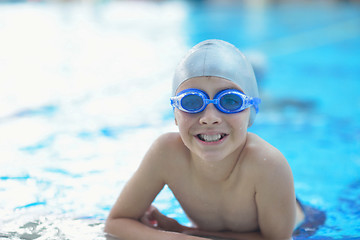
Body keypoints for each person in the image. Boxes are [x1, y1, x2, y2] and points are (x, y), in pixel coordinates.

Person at [104, 39, 305, 240]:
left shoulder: (267, 164)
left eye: (230, 101)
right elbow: (116, 222)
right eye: (192, 102)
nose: (209, 118)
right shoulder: (166, 153)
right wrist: (182, 235)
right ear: (175, 114)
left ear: (251, 111)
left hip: (304, 230)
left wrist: (184, 233)